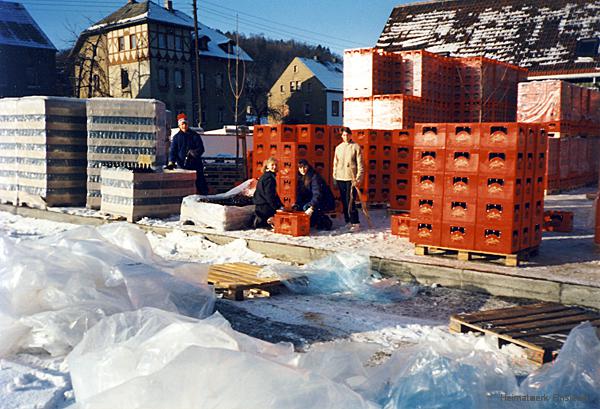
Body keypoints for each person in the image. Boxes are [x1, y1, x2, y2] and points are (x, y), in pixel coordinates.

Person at [166, 113, 208, 195]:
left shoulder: (194, 135)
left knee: (200, 185)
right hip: (183, 166)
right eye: (182, 124)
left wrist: (194, 153)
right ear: (179, 125)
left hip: (196, 165)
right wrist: (171, 162)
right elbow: (173, 151)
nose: (184, 126)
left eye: (185, 124)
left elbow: (201, 149)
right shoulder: (176, 138)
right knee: (184, 186)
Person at [333, 127, 364, 232]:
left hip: (351, 178)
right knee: (344, 201)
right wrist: (334, 176)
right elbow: (335, 163)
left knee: (350, 200)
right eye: (343, 135)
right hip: (340, 177)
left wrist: (358, 178)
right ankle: (348, 221)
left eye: (347, 135)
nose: (345, 137)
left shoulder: (356, 147)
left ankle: (355, 222)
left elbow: (360, 164)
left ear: (350, 135)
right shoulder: (338, 148)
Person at [292, 159, 335, 230]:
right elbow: (300, 194)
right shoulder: (301, 178)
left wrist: (311, 206)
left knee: (307, 209)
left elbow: (317, 194)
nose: (303, 170)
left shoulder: (314, 177)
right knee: (300, 208)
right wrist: (297, 204)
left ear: (308, 167)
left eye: (304, 167)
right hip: (311, 200)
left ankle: (324, 221)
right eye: (300, 168)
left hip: (323, 201)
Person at [253, 156, 283, 228]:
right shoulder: (269, 178)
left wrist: (281, 205)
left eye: (276, 165)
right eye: (272, 165)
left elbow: (274, 194)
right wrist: (276, 208)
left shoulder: (266, 176)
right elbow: (269, 195)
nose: (274, 167)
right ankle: (263, 221)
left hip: (260, 204)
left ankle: (262, 220)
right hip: (264, 206)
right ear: (268, 166)